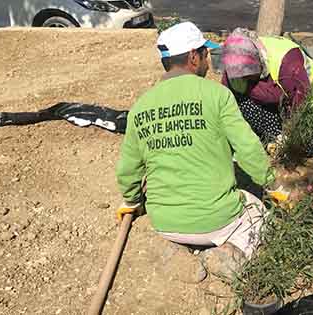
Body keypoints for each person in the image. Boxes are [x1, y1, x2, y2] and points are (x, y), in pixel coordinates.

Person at [114, 22, 275, 263]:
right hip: (216, 220)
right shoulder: (217, 95)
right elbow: (248, 148)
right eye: (205, 54)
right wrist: (274, 183)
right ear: (193, 57)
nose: (208, 61)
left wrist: (132, 201)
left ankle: (181, 251)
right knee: (259, 213)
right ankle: (228, 256)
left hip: (164, 222)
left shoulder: (140, 107)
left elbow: (128, 169)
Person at [220, 28, 313, 154]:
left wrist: (288, 137)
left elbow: (301, 103)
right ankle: (269, 140)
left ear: (258, 63)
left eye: (248, 76)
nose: (244, 80)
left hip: (311, 107)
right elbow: (226, 102)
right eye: (240, 77)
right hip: (277, 105)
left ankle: (282, 142)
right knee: (241, 102)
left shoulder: (287, 61)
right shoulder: (234, 64)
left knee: (310, 147)